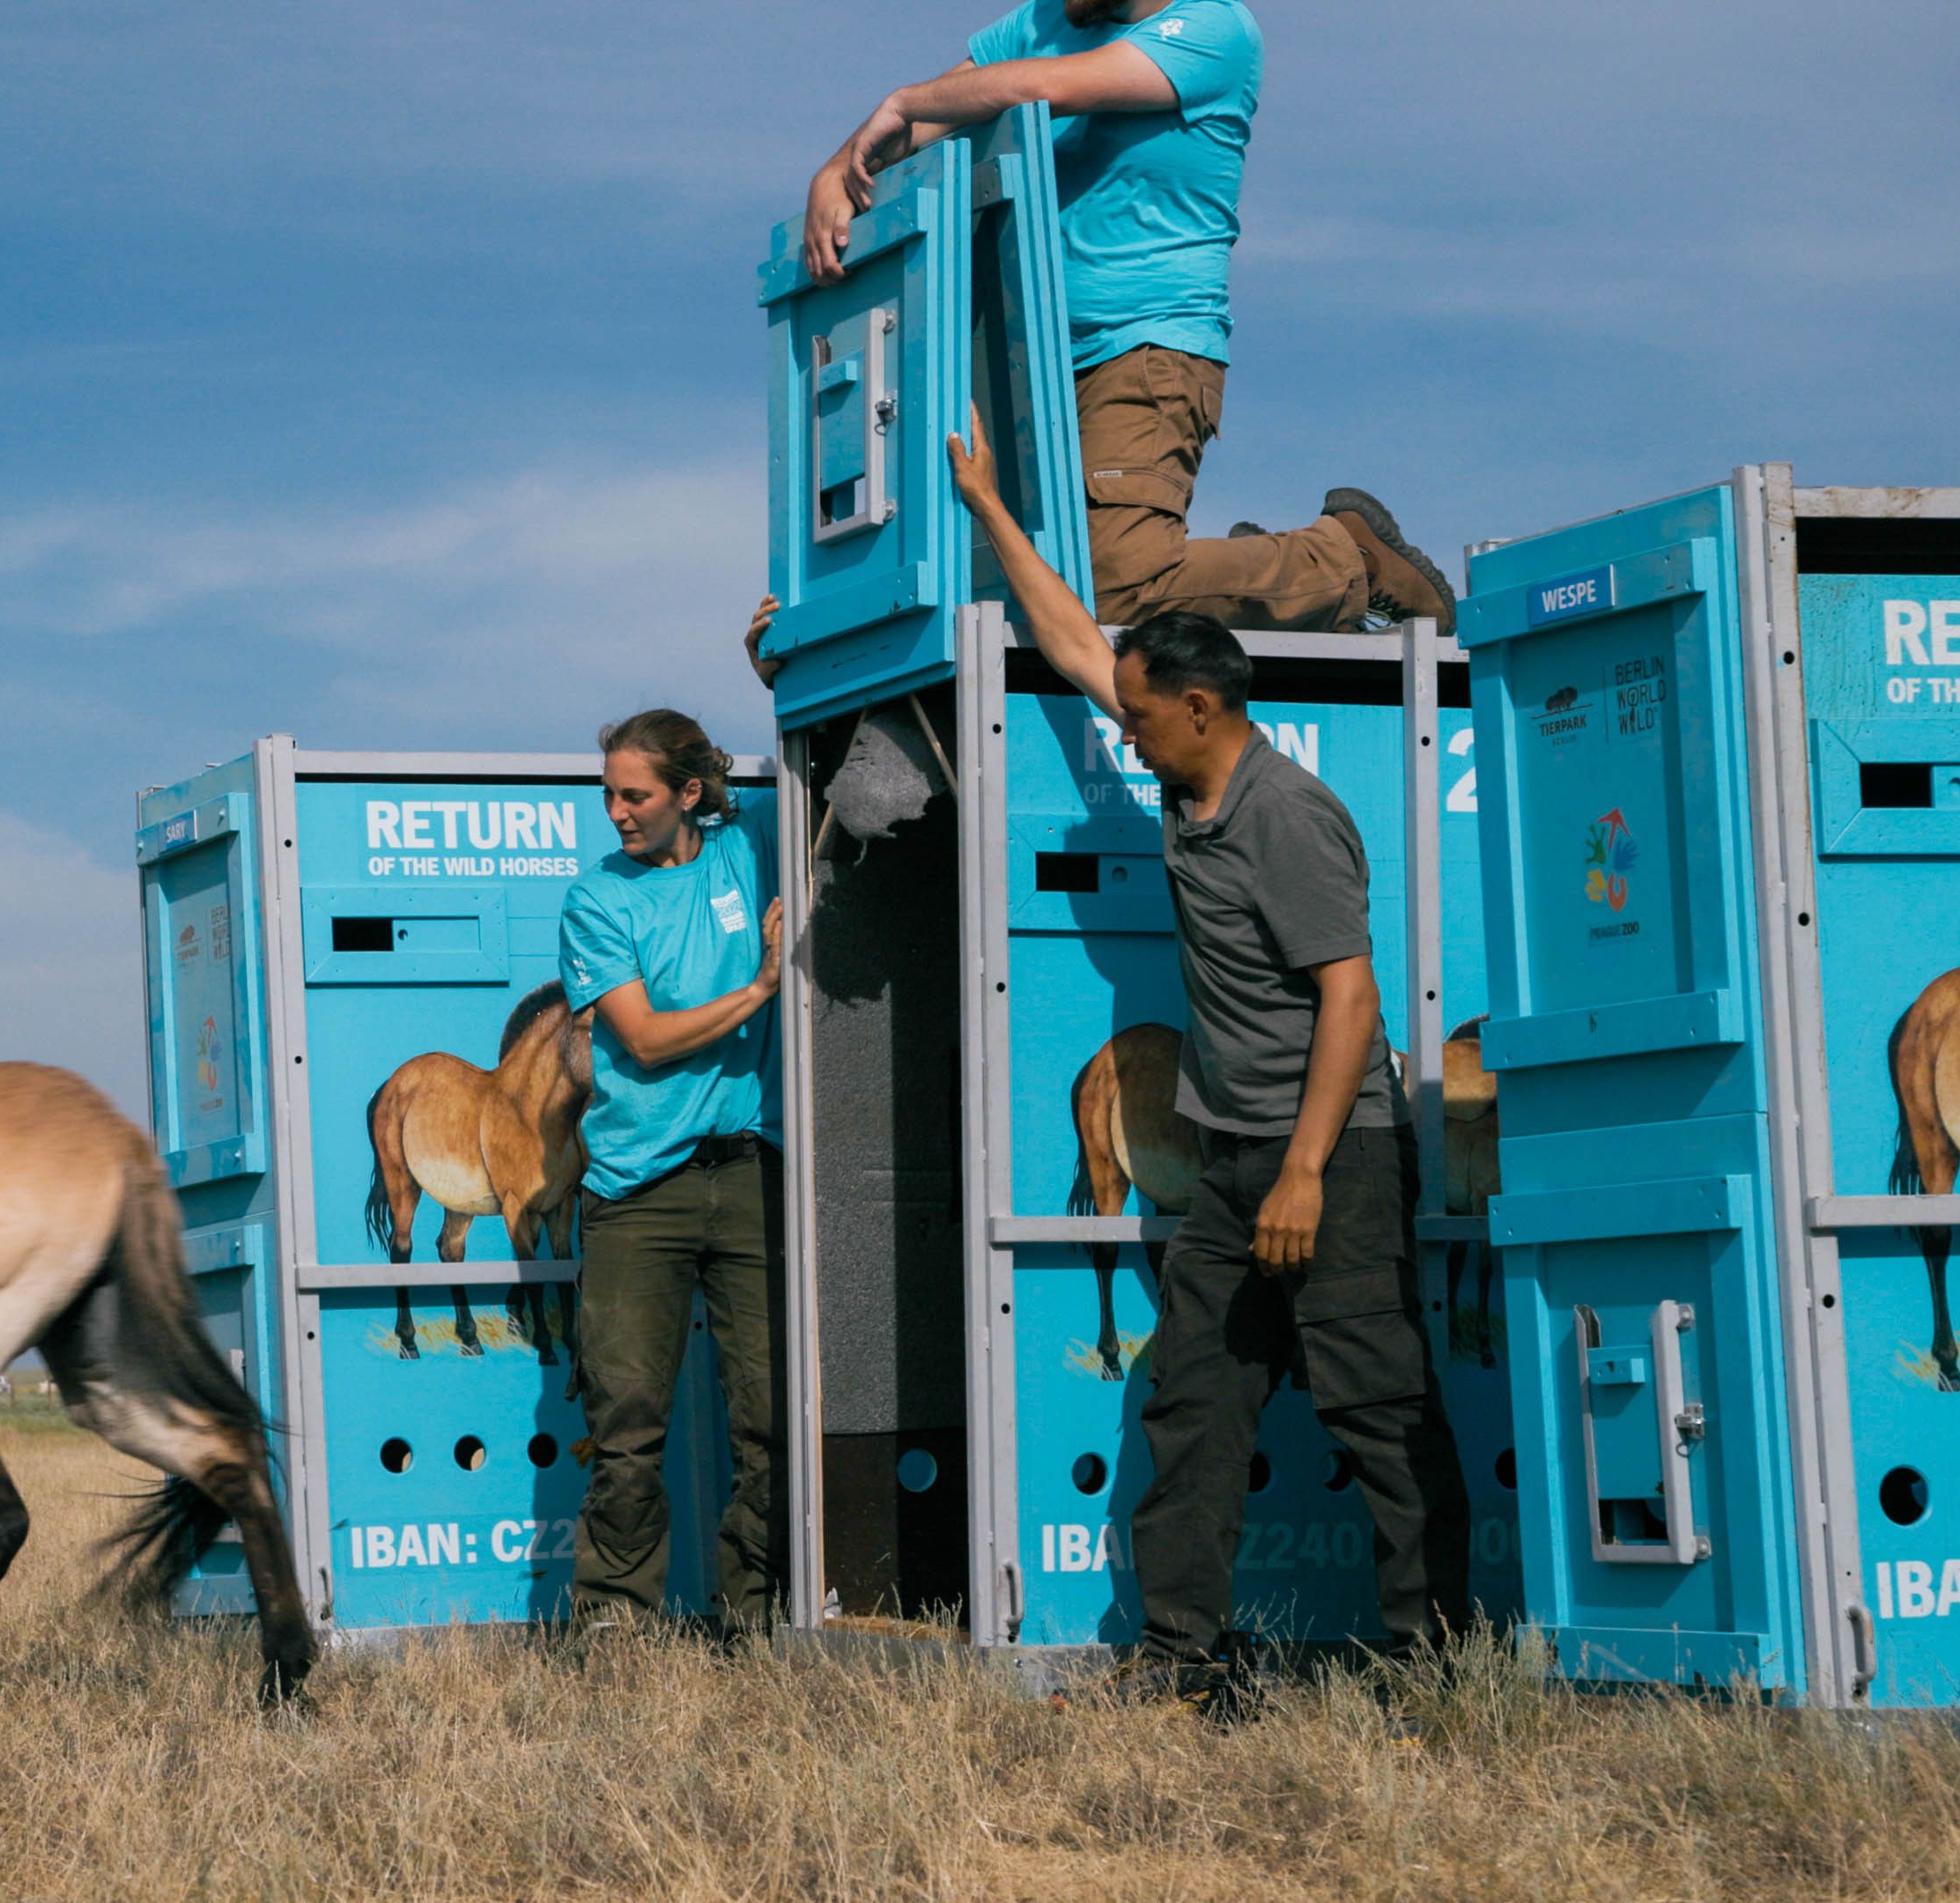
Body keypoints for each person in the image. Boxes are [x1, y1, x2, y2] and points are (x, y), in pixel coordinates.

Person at [946, 419, 1473, 1702]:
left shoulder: (1287, 815)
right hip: (1238, 1163)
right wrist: (986, 507)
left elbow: (1350, 1000)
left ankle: (1437, 1667)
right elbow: (1080, 640)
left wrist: (1300, 1173)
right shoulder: (1190, 786)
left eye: (1139, 718)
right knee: (1193, 1400)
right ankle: (1182, 1660)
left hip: (1330, 1160)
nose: (1121, 732)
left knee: (1375, 1406)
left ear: (1201, 709)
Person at [799, 0, 1454, 634]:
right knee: (1015, 583)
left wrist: (905, 101)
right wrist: (836, 169)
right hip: (1031, 363)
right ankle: (1261, 572)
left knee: (1111, 584)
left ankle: (1348, 563)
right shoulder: (1039, 22)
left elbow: (1038, 90)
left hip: (1147, 350)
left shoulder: (1214, 28)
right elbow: (924, 123)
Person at [555, 710, 787, 1633]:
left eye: (634, 794)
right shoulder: (596, 900)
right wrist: (758, 991)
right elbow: (645, 1043)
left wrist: (777, 669)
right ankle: (614, 1627)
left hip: (750, 1177)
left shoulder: (747, 848)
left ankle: (758, 1620)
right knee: (628, 1427)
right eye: (607, 793)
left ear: (690, 794)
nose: (614, 811)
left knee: (772, 1417)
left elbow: (830, 756)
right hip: (634, 1190)